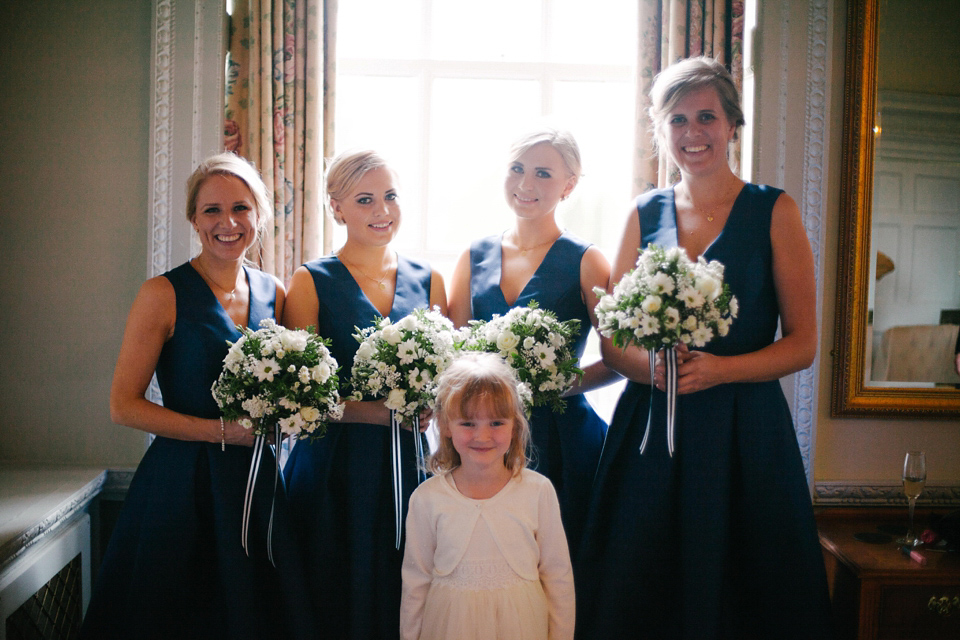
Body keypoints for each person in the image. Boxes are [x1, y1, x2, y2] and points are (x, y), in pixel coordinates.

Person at [576, 57, 833, 639]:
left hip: (746, 432)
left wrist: (721, 370)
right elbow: (611, 337)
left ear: (732, 125)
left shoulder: (775, 210)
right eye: (678, 121)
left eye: (706, 117)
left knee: (746, 589)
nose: (693, 133)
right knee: (643, 584)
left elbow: (803, 345)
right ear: (661, 133)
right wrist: (652, 372)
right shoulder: (643, 213)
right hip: (651, 430)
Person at [80, 153, 315, 639]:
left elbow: (290, 387)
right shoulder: (162, 293)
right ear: (193, 218)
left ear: (259, 216)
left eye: (241, 208)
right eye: (211, 210)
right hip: (183, 485)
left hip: (258, 482)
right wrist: (220, 431)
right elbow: (123, 406)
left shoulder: (275, 291)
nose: (227, 223)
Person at [282, 149, 448, 639]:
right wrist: (374, 414)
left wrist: (430, 408)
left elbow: (450, 376)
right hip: (334, 465)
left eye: (391, 196)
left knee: (408, 584)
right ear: (337, 208)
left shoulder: (429, 279)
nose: (383, 211)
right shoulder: (311, 280)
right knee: (336, 583)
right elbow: (302, 396)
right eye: (365, 200)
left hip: (410, 460)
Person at [447, 126, 616, 553]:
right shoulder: (473, 256)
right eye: (517, 169)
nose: (525, 184)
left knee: (559, 556)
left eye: (543, 173)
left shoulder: (587, 259)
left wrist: (564, 383)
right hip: (485, 437)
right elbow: (452, 354)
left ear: (569, 185)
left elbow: (620, 357)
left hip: (563, 437)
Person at [399, 353, 575, 640]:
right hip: (449, 625)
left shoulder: (538, 491)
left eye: (496, 423)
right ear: (444, 425)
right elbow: (416, 582)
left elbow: (558, 578)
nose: (482, 437)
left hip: (521, 625)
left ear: (515, 425)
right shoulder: (426, 498)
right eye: (468, 424)